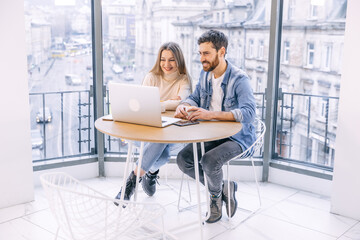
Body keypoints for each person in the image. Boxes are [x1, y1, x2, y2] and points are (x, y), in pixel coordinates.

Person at [175, 30, 257, 223]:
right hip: (212, 134)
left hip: (238, 137)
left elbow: (249, 113)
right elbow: (194, 97)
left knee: (209, 161)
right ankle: (223, 188)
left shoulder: (239, 79)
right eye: (200, 53)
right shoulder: (206, 75)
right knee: (183, 159)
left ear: (221, 52)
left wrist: (210, 114)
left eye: (206, 54)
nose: (202, 58)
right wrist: (184, 105)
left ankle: (214, 201)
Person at [115, 42, 192, 201]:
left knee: (162, 154)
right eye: (163, 59)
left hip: (165, 132)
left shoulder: (184, 79)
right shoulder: (151, 77)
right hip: (143, 130)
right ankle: (147, 174)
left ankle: (131, 183)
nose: (166, 64)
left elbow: (182, 102)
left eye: (171, 60)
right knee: (161, 151)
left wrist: (159, 104)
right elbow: (143, 105)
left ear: (179, 60)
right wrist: (169, 103)